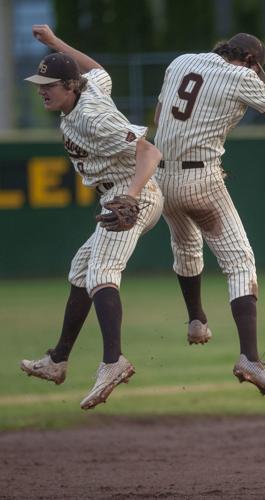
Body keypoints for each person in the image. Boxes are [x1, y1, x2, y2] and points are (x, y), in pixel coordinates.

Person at [154, 33, 265, 400]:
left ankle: (197, 320)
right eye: (254, 65)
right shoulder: (241, 77)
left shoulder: (182, 60)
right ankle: (249, 357)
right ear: (249, 59)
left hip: (159, 175)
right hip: (200, 176)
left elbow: (160, 116)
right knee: (239, 262)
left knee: (186, 244)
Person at [20, 25, 163, 410]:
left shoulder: (93, 117)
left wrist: (131, 198)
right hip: (116, 194)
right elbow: (98, 68)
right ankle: (57, 360)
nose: (42, 90)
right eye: (39, 83)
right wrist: (54, 44)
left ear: (70, 86)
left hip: (134, 193)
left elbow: (150, 153)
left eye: (49, 84)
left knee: (102, 272)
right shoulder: (88, 86)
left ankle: (113, 362)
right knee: (82, 270)